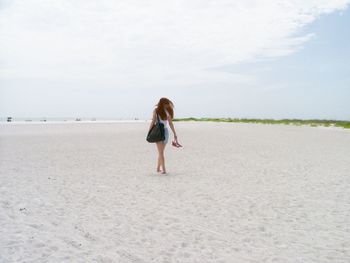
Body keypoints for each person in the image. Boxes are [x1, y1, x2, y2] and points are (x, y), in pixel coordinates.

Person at [148, 98, 180, 174]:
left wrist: (149, 131)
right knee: (161, 152)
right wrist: (174, 133)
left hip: (159, 132)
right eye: (166, 104)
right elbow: (170, 123)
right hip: (165, 132)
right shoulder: (164, 111)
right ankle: (161, 169)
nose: (167, 105)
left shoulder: (157, 111)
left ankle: (160, 168)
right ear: (163, 103)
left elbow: (153, 121)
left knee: (161, 152)